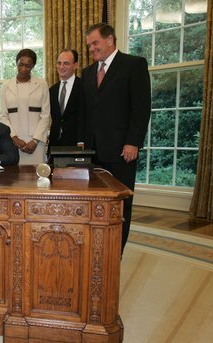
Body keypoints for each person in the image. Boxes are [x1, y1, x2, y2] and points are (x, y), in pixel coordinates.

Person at [79, 23, 151, 254]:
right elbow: (87, 112)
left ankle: (115, 254)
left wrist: (133, 142)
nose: (92, 49)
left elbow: (141, 108)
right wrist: (82, 144)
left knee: (121, 205)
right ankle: (98, 252)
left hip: (122, 151)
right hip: (93, 153)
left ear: (110, 40)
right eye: (89, 45)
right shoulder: (88, 72)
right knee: (96, 205)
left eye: (95, 43)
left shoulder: (133, 65)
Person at [0, 48, 51, 165]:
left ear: (33, 66)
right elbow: (3, 116)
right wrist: (15, 138)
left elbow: (45, 115)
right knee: (14, 178)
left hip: (36, 143)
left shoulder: (42, 85)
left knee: (37, 178)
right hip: (13, 141)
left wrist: (35, 140)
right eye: (20, 64)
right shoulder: (6, 86)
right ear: (16, 63)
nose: (23, 69)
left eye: (28, 66)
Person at [48, 49, 81, 148]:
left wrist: (82, 141)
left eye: (66, 63)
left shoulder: (84, 87)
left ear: (75, 65)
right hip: (55, 144)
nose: (61, 67)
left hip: (77, 144)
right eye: (59, 63)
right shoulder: (52, 90)